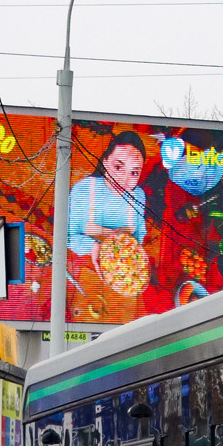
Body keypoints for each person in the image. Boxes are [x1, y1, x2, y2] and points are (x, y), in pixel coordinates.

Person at [66, 131, 152, 319]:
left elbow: (139, 234)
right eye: (118, 167)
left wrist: (132, 254)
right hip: (84, 272)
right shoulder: (84, 189)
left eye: (134, 172)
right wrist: (93, 246)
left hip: (125, 279)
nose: (124, 179)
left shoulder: (138, 196)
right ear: (105, 161)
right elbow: (66, 236)